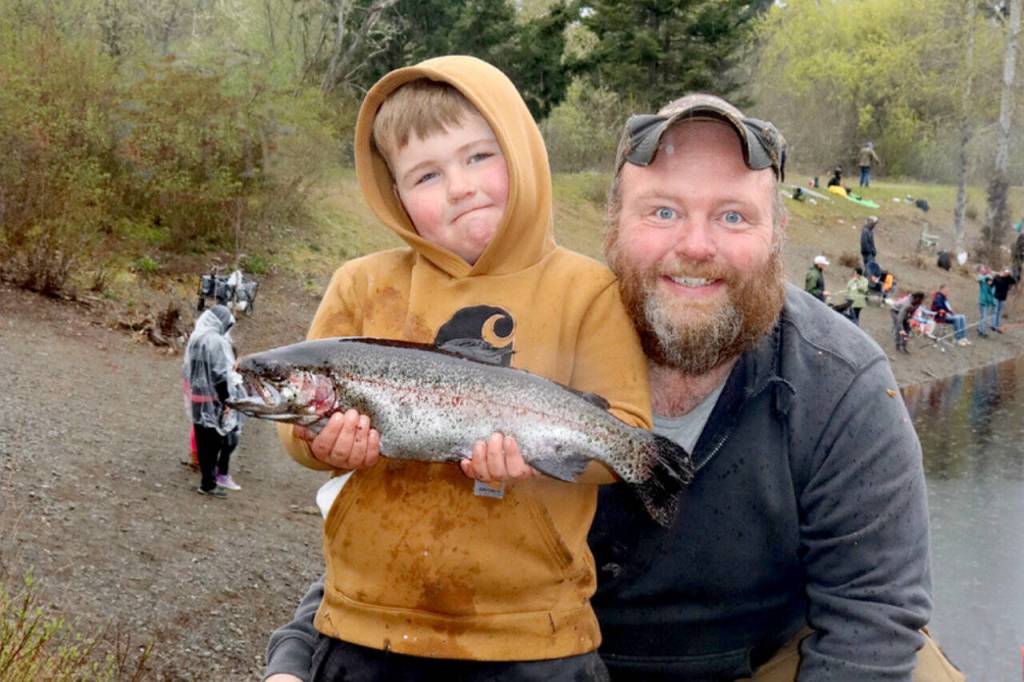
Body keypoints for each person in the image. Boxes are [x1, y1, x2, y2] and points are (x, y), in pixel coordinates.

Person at [267, 94, 961, 681]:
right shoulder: (533, 329)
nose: (695, 245)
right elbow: (403, 528)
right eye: (662, 212)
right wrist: (295, 660)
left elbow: (875, 616)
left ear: (778, 235)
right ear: (612, 229)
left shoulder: (844, 386)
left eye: (733, 216)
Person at [270, 56, 652, 681]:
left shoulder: (588, 290)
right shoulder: (362, 286)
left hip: (536, 639)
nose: (460, 186)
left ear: (522, 152)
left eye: (479, 157)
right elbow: (295, 429)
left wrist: (540, 454)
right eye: (426, 175)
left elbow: (626, 431)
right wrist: (322, 441)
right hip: (367, 626)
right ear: (394, 196)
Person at [182, 305, 243, 497]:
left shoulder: (196, 337)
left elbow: (187, 368)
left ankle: (206, 482)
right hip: (213, 398)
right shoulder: (216, 342)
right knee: (215, 440)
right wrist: (227, 400)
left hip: (196, 397)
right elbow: (220, 374)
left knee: (201, 437)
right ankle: (209, 483)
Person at [992, 266, 1016, 332]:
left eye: (1007, 273)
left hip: (1003, 298)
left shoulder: (1008, 278)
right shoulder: (997, 277)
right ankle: (994, 326)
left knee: (999, 313)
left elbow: (1014, 281)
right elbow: (992, 284)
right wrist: (999, 275)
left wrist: (1009, 275)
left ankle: (998, 325)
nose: (1006, 274)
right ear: (1002, 271)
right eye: (1005, 272)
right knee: (995, 312)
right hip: (996, 297)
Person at [976, 265, 996, 338]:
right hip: (982, 300)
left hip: (987, 301)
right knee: (984, 317)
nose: (984, 269)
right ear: (980, 270)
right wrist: (987, 276)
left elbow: (992, 288)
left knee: (983, 317)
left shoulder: (988, 278)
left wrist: (991, 276)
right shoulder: (980, 277)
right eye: (982, 269)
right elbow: (979, 279)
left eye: (984, 268)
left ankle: (980, 329)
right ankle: (982, 332)